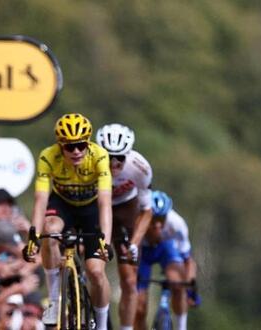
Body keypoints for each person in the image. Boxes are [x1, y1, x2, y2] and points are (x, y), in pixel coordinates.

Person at [22, 113, 113, 330]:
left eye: (81, 145)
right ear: (60, 145)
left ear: (88, 143)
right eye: (69, 147)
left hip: (91, 208)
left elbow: (105, 203)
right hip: (63, 205)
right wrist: (33, 238)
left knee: (96, 272)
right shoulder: (48, 156)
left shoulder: (100, 156)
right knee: (49, 230)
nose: (76, 151)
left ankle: (101, 325)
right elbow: (41, 199)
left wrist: (106, 242)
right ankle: (54, 301)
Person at [96, 123, 154, 330]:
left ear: (128, 154)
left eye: (119, 157)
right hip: (95, 206)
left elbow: (147, 211)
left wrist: (135, 243)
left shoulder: (140, 167)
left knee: (129, 280)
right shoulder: (88, 162)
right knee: (94, 265)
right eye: (108, 157)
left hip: (125, 209)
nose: (113, 163)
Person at [134, 191, 199, 330]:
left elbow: (188, 261)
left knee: (177, 284)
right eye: (153, 220)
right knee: (139, 307)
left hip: (165, 249)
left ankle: (181, 326)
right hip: (142, 252)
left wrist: (190, 288)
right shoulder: (136, 220)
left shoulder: (177, 224)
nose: (158, 225)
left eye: (161, 220)